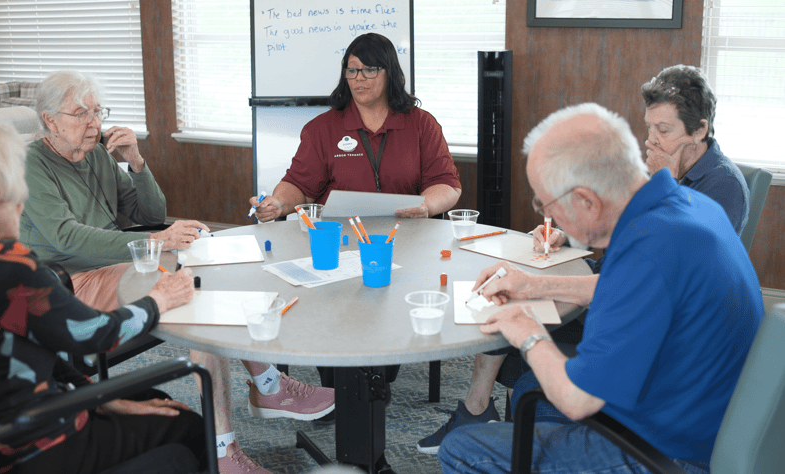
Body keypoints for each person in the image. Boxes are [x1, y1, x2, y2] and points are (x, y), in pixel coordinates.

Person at [417, 64, 752, 454]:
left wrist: (527, 330)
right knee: (529, 386)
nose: (652, 143)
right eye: (650, 131)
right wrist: (533, 285)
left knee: (462, 448)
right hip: (697, 403)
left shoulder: (658, 243)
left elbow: (578, 399)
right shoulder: (685, 205)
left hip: (666, 445)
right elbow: (630, 286)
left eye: (547, 204)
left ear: (588, 200)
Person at [19, 70, 333, 474]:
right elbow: (65, 238)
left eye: (98, 112)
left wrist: (136, 161)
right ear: (49, 120)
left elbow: (148, 214)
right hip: (69, 284)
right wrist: (160, 242)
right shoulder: (32, 163)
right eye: (81, 114)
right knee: (190, 291)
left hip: (120, 265)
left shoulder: (96, 154)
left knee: (202, 269)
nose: (94, 123)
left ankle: (262, 393)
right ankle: (242, 423)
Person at [0, 113, 207, 473]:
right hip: (35, 443)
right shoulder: (2, 265)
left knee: (150, 401)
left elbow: (26, 349)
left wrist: (99, 398)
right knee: (189, 428)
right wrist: (160, 299)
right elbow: (93, 334)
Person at [250, 33, 462, 221]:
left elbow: (446, 185)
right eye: (352, 70)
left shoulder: (422, 124)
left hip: (408, 234)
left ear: (390, 73)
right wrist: (278, 203)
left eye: (369, 70)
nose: (359, 77)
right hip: (339, 237)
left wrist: (426, 206)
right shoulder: (322, 128)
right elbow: (301, 187)